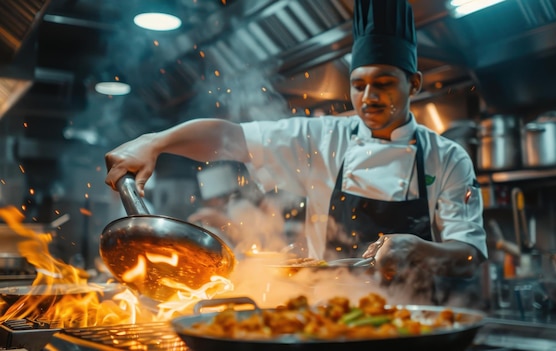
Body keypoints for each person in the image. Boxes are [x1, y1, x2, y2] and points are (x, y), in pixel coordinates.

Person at [104, 0, 487, 303]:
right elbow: (231, 138)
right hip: (328, 314)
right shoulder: (324, 137)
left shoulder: (448, 158)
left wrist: (418, 248)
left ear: (414, 83)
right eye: (358, 85)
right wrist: (156, 141)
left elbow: (469, 255)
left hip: (414, 323)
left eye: (384, 84)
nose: (368, 98)